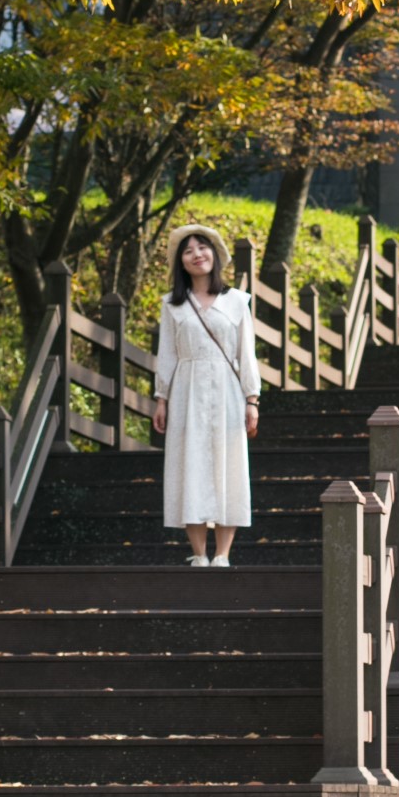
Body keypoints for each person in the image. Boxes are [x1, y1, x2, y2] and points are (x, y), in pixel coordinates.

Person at [152, 225, 260, 566]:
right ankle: (198, 554)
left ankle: (223, 555)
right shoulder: (172, 305)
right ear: (181, 263)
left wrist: (252, 399)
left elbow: (247, 353)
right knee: (190, 465)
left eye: (203, 247)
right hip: (186, 391)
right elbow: (167, 353)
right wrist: (161, 398)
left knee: (229, 465)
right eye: (188, 251)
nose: (197, 254)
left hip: (228, 390)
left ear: (214, 255)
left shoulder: (237, 301)